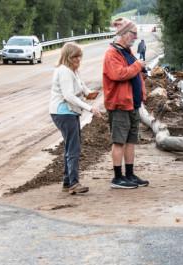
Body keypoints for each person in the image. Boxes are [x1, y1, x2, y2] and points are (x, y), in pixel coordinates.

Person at [49, 42, 102, 195]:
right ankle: (74, 183)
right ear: (68, 57)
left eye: (80, 56)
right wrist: (89, 107)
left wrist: (89, 93)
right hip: (64, 112)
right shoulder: (64, 71)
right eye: (75, 57)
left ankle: (67, 182)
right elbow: (69, 95)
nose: (78, 59)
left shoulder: (73, 71)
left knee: (70, 146)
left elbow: (82, 86)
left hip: (69, 112)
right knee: (73, 148)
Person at [102, 17, 148, 189]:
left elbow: (129, 72)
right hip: (119, 104)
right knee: (119, 141)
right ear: (124, 34)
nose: (136, 37)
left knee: (130, 141)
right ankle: (117, 177)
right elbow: (118, 74)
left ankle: (129, 174)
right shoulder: (112, 53)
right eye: (134, 34)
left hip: (132, 104)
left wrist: (139, 74)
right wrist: (137, 67)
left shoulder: (127, 52)